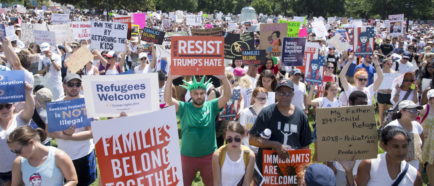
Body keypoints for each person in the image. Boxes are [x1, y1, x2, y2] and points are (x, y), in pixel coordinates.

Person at [164, 73, 232, 186]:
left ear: (205, 94)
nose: (199, 96)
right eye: (195, 93)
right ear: (190, 94)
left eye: (201, 93)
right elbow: (168, 100)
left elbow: (226, 97)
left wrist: (224, 78)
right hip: (187, 156)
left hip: (209, 156)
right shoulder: (184, 107)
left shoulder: (211, 106)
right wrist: (170, 79)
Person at [249, 80, 313, 173]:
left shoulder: (301, 116)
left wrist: (303, 168)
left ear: (293, 95)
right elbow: (252, 139)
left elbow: (305, 145)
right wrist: (275, 145)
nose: (285, 96)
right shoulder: (267, 113)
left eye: (288, 93)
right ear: (276, 94)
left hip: (291, 169)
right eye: (282, 93)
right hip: (269, 170)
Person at [47, 74, 97, 186]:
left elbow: (93, 132)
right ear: (64, 86)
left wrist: (67, 135)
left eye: (78, 84)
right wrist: (65, 133)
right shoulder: (56, 105)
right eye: (70, 84)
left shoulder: (88, 103)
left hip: (85, 153)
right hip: (65, 155)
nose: (74, 87)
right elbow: (49, 132)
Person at [8, 126, 78, 186]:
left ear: (31, 142)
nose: (17, 154)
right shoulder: (18, 162)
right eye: (14, 151)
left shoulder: (59, 156)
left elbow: (73, 180)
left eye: (18, 151)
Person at [355, 126, 423, 186]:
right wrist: (348, 171)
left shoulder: (414, 175)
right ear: (383, 145)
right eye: (395, 146)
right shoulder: (369, 165)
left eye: (404, 146)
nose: (401, 151)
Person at [0, 84, 34, 186]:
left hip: (22, 168)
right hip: (2, 172)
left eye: (8, 105)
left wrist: (28, 92)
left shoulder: (20, 118)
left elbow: (30, 108)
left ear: (14, 106)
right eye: (0, 106)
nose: (4, 109)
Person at [212, 121, 255, 186]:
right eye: (229, 139)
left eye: (237, 139)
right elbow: (217, 183)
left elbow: (246, 183)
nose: (233, 142)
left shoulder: (249, 155)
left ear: (242, 136)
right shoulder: (217, 155)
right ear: (225, 137)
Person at [385, 100, 424, 169]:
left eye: (416, 111)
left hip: (414, 165)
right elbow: (383, 145)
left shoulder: (417, 125)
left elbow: (422, 141)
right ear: (402, 111)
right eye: (412, 111)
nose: (415, 113)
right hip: (397, 166)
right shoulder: (392, 126)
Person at [377, 58, 400, 126]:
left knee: (389, 111)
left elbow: (396, 84)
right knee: (381, 111)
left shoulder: (394, 73)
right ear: (384, 64)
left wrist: (393, 89)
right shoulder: (380, 72)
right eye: (388, 64)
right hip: (381, 94)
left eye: (391, 64)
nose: (390, 65)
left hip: (390, 94)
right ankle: (381, 126)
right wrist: (381, 89)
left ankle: (388, 125)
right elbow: (376, 84)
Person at [420, 89, 434, 185]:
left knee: (432, 163)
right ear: (429, 99)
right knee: (421, 162)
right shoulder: (424, 109)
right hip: (425, 141)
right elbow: (415, 121)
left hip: (433, 142)